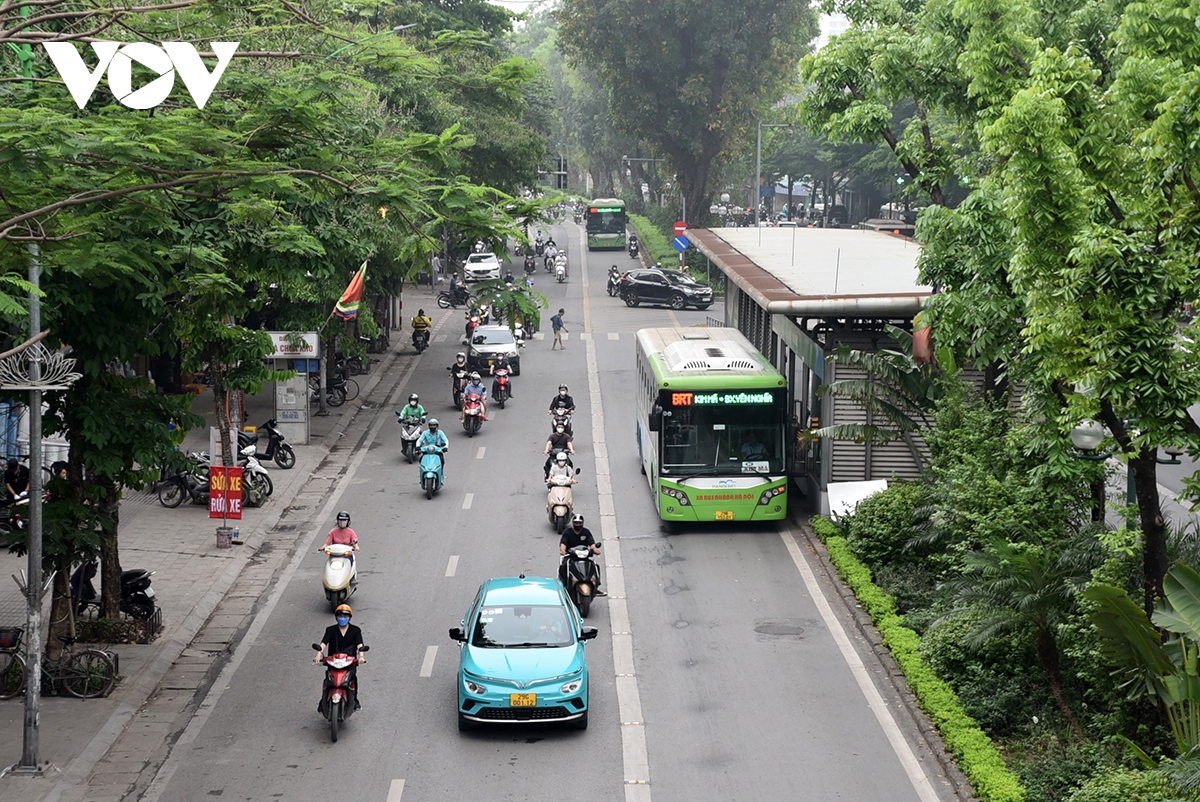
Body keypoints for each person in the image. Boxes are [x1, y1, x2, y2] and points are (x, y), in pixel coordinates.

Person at [314, 604, 367, 710]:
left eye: (345, 616)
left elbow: (360, 645)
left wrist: (361, 657)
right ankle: (323, 701)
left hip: (349, 662)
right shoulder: (330, 630)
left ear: (349, 618)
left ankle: (354, 700)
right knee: (328, 680)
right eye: (340, 616)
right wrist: (318, 655)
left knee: (352, 679)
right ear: (336, 617)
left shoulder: (355, 630)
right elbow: (324, 643)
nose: (343, 618)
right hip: (333, 661)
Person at [559, 514, 604, 594]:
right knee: (564, 566)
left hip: (584, 556)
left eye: (580, 523)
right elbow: (563, 543)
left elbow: (591, 543)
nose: (578, 525)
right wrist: (563, 550)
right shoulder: (568, 532)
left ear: (582, 523)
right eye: (576, 523)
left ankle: (595, 586)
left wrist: (595, 549)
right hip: (571, 556)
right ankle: (564, 585)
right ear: (573, 523)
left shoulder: (586, 532)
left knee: (595, 566)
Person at [416, 419, 449, 483]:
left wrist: (445, 447)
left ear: (437, 426)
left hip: (437, 451)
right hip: (427, 451)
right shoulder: (425, 433)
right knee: (421, 460)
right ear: (429, 426)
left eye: (434, 425)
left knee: (442, 461)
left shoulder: (440, 433)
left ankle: (440, 475)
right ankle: (422, 476)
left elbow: (446, 440)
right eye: (431, 425)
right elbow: (419, 440)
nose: (432, 427)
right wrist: (418, 446)